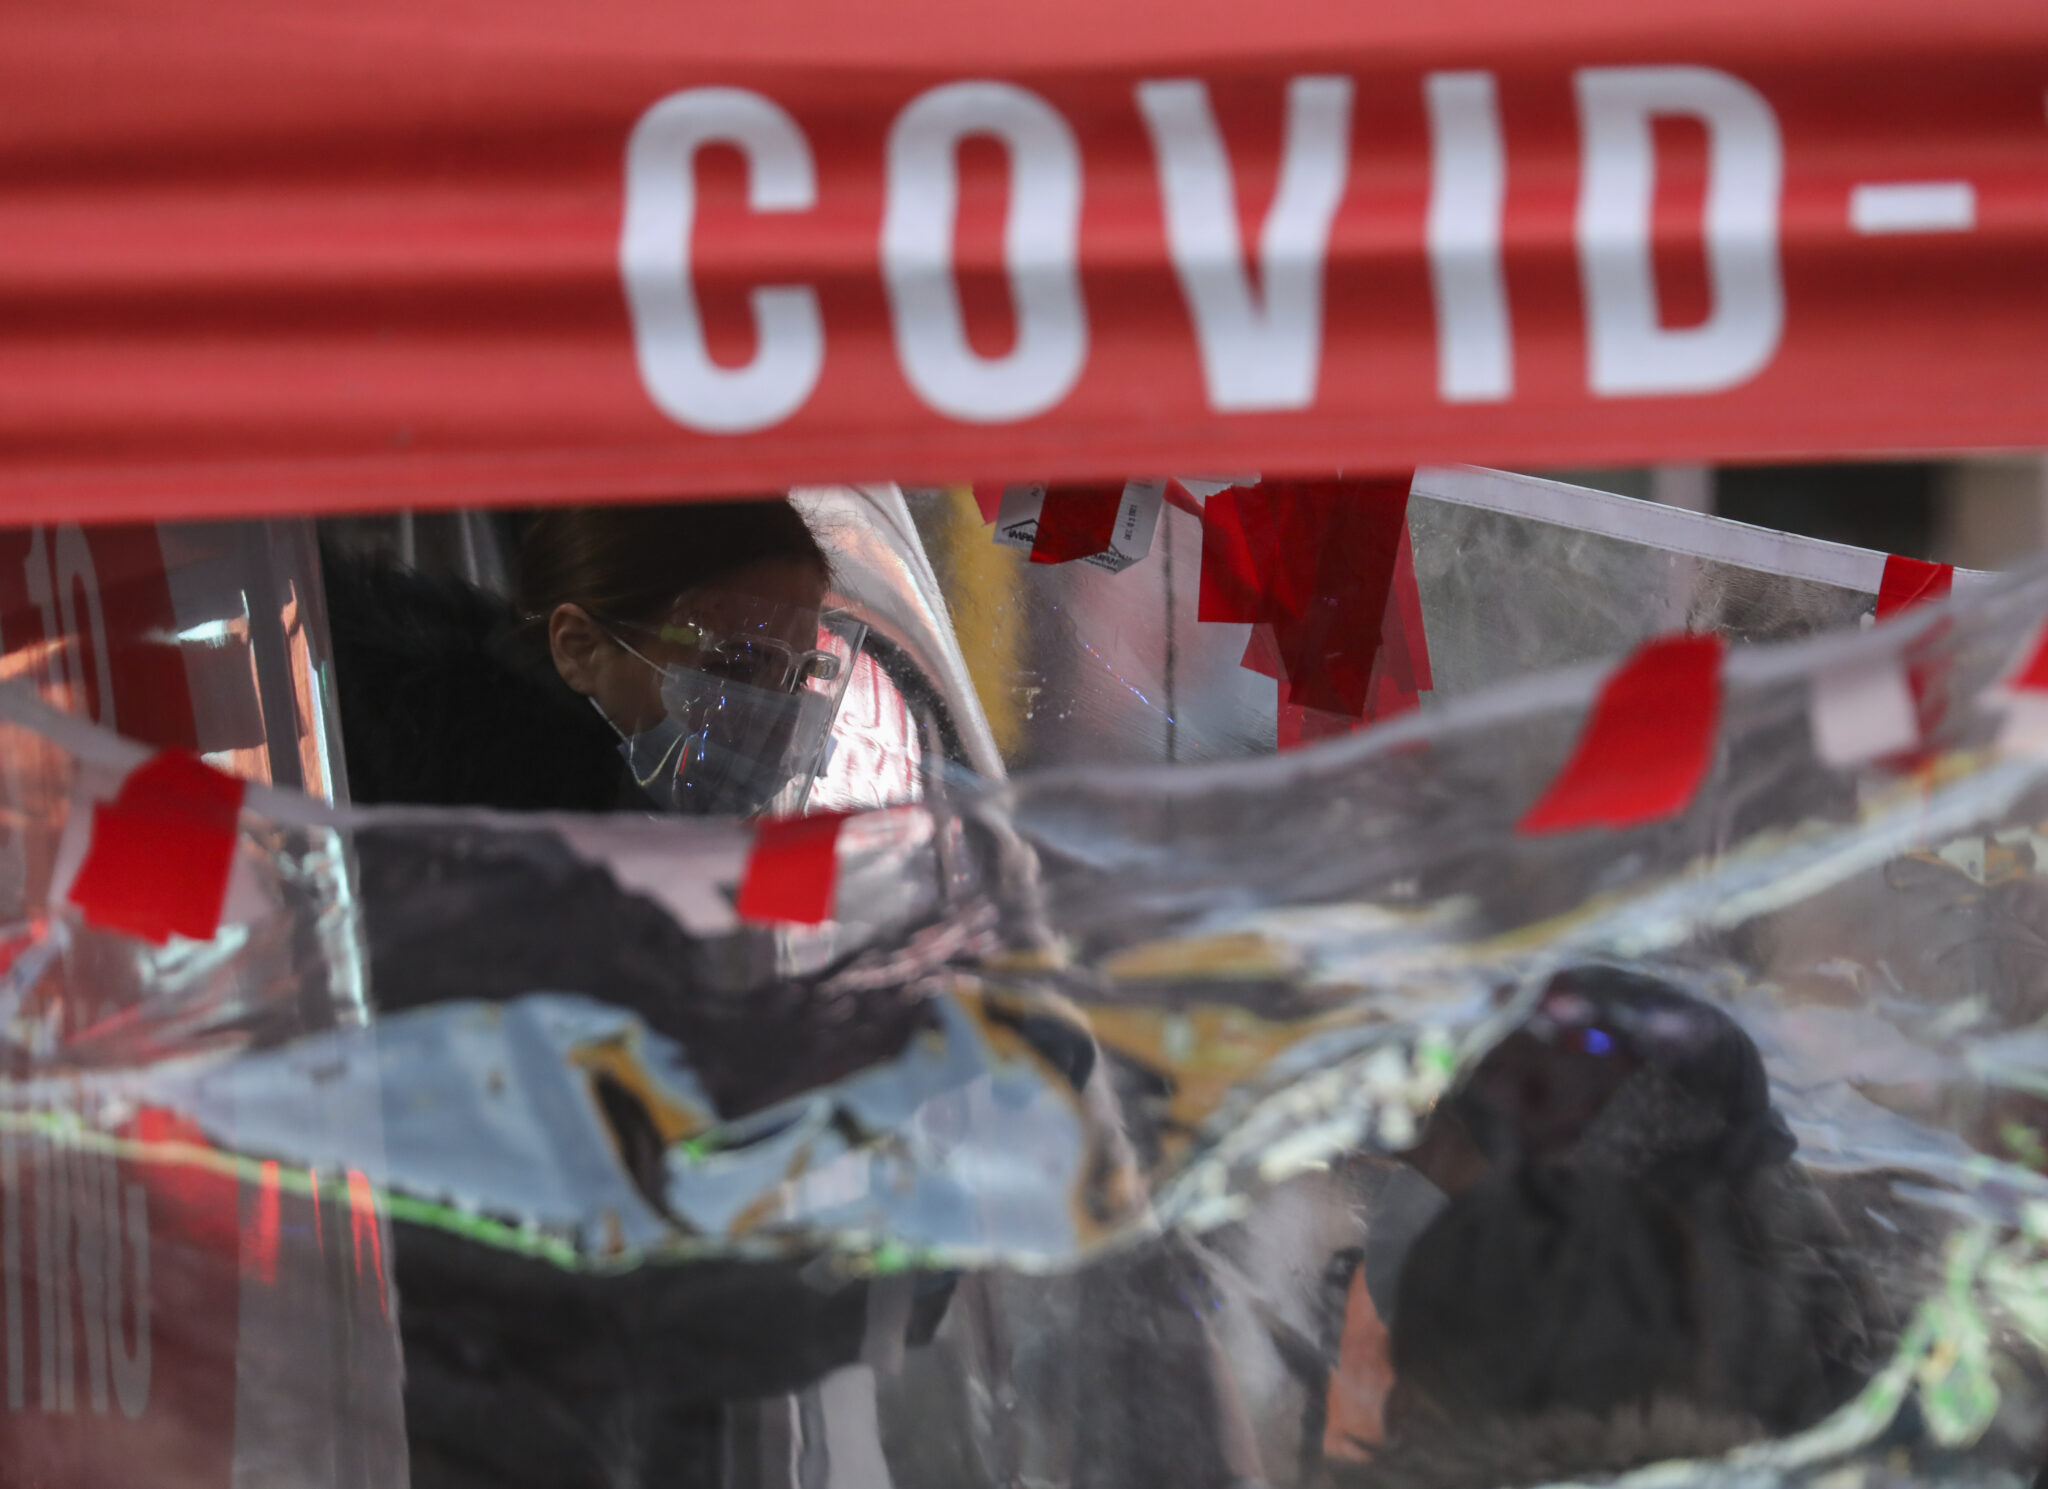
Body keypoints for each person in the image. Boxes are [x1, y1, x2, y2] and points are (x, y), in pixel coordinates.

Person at [324, 497, 856, 817]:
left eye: (800, 677)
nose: (779, 725)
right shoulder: (488, 864)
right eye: (735, 665)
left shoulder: (643, 839)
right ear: (579, 648)